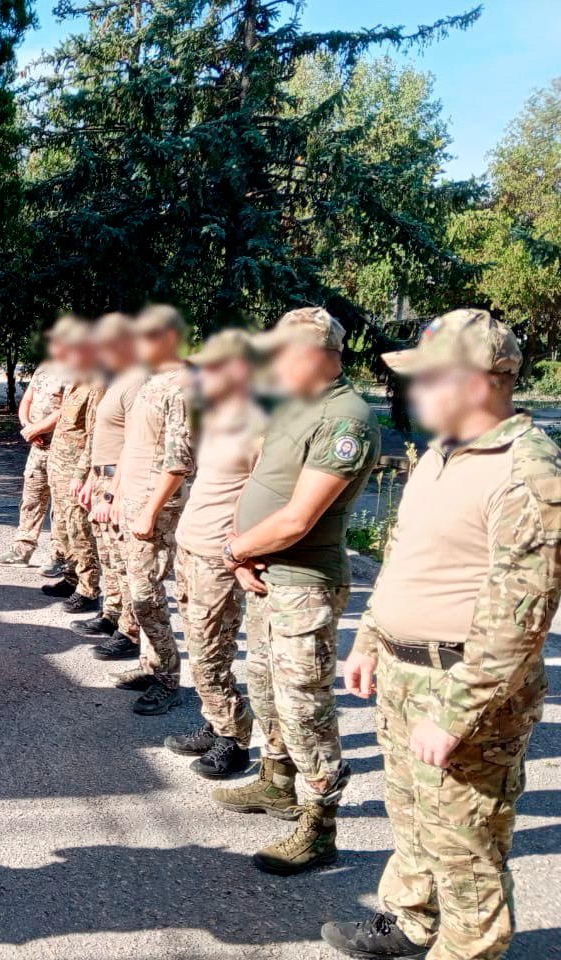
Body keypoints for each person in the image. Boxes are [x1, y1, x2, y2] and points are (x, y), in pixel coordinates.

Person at [322, 310, 561, 960]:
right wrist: (371, 636)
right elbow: (405, 557)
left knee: (467, 854)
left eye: (430, 379)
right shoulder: (444, 452)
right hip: (405, 674)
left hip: (466, 687)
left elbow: (520, 619)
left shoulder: (526, 471)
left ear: (480, 382)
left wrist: (456, 715)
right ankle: (408, 919)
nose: (416, 393)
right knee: (415, 821)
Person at [212, 306, 380, 876]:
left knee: (305, 708)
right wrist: (242, 551)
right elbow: (263, 481)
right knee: (264, 687)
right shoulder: (295, 405)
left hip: (304, 585)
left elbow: (298, 518)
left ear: (314, 355)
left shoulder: (346, 420)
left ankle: (318, 826)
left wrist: (236, 551)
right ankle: (277, 782)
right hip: (267, 577)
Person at [163, 329, 265, 777]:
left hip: (219, 558)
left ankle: (234, 738)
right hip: (193, 546)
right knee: (201, 647)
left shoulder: (261, 425)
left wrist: (242, 552)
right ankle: (214, 721)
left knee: (208, 652)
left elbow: (269, 497)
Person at [102, 304, 194, 715]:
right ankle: (152, 664)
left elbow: (179, 462)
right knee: (135, 591)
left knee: (147, 596)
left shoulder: (183, 387)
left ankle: (168, 679)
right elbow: (130, 448)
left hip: (155, 508)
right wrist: (116, 495)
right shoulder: (150, 383)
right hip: (132, 501)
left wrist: (148, 512)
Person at [74, 313, 146, 646]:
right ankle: (111, 614)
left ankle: (130, 631)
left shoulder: (136, 383)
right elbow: (101, 437)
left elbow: (133, 443)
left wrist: (112, 495)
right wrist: (91, 478)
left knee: (123, 559)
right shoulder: (116, 381)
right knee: (108, 557)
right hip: (102, 476)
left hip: (119, 480)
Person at [0, 317, 73, 573]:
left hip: (61, 448)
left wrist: (39, 428)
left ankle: (60, 556)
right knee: (32, 499)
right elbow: (26, 400)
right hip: (37, 446)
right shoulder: (45, 368)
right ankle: (22, 549)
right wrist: (27, 426)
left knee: (61, 505)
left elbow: (67, 410)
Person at [39, 318, 105, 610]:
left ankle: (89, 589)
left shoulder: (96, 385)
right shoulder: (74, 382)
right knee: (63, 528)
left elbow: (94, 436)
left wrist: (83, 473)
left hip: (75, 470)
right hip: (58, 466)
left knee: (80, 530)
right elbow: (67, 424)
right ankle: (70, 577)